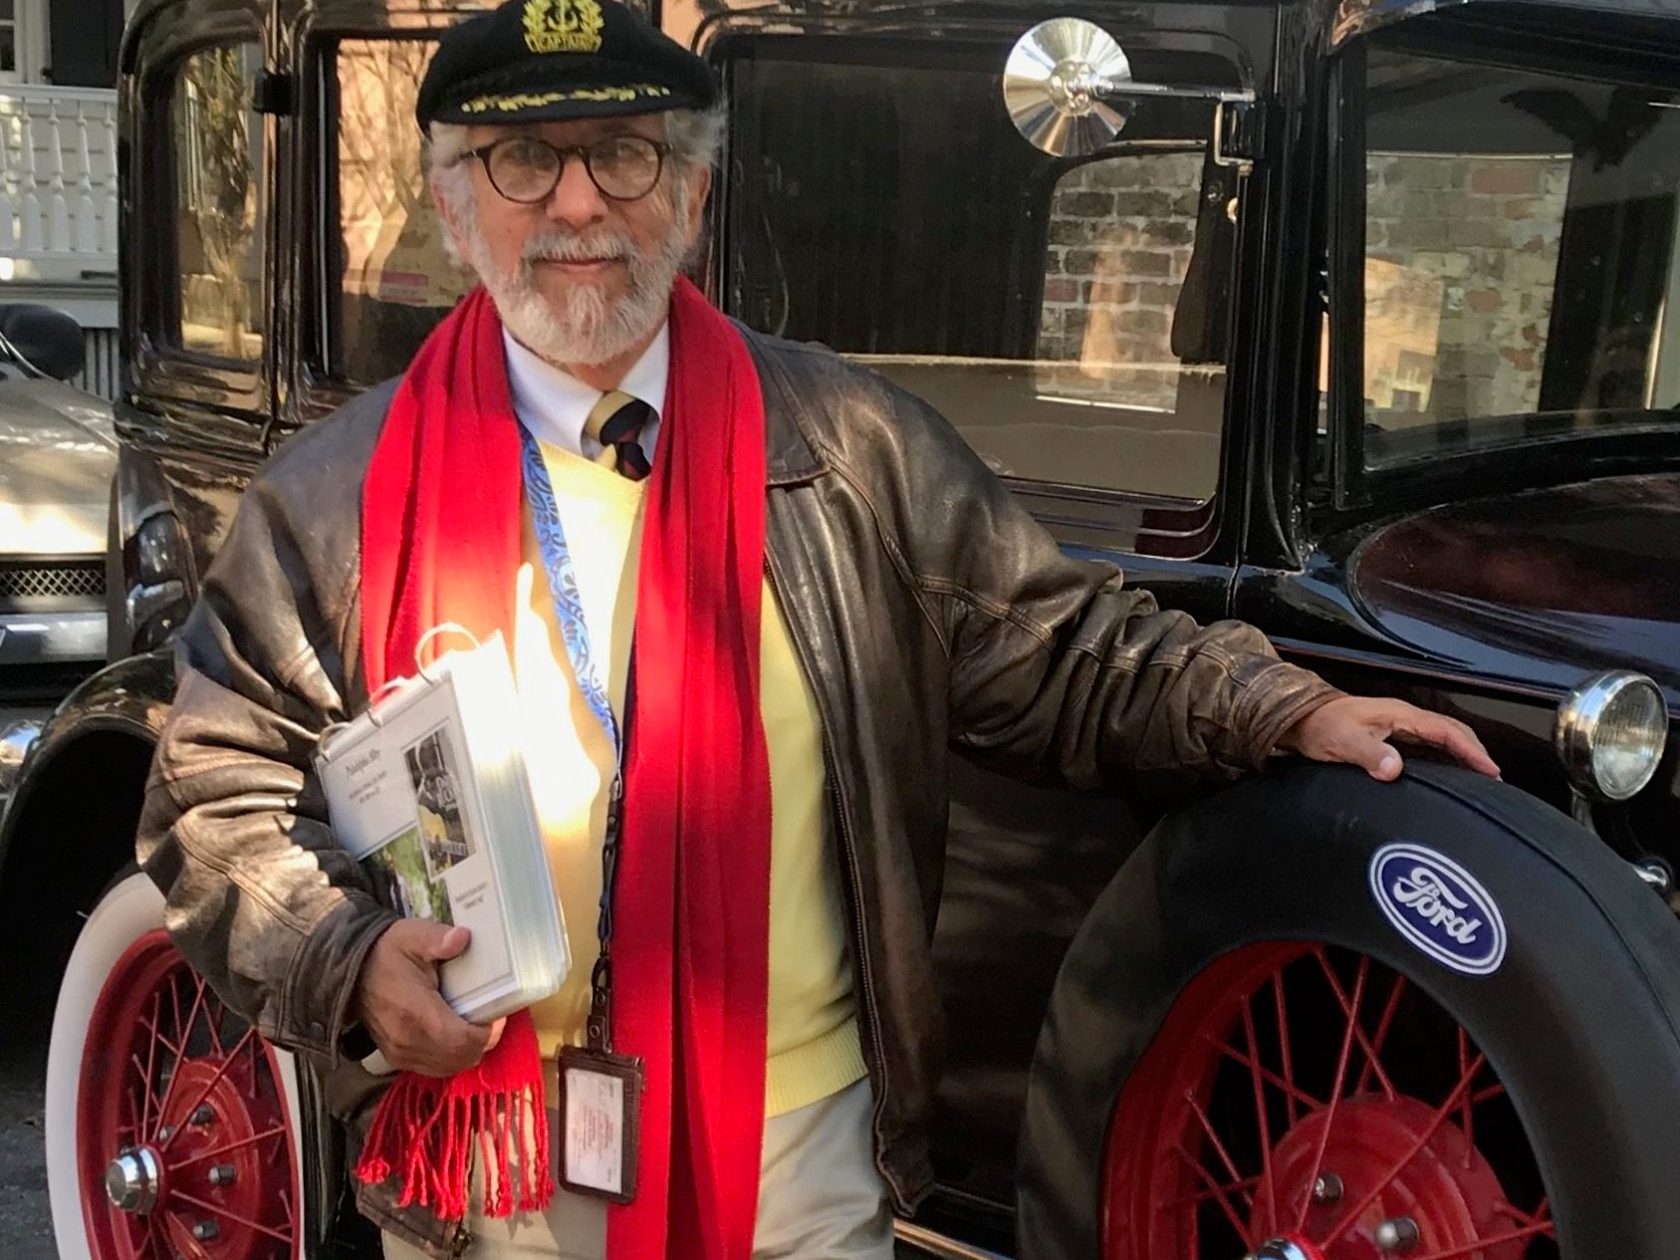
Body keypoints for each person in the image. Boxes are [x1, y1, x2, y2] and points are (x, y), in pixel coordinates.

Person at [135, 1, 1499, 1257]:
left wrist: (1283, 706)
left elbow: (1067, 652)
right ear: (448, 204)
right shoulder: (335, 500)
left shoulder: (850, 448)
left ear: (694, 190)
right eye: (521, 161)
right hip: (486, 1163)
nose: (577, 204)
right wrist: (351, 960)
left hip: (798, 1152)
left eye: (624, 154)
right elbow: (212, 802)